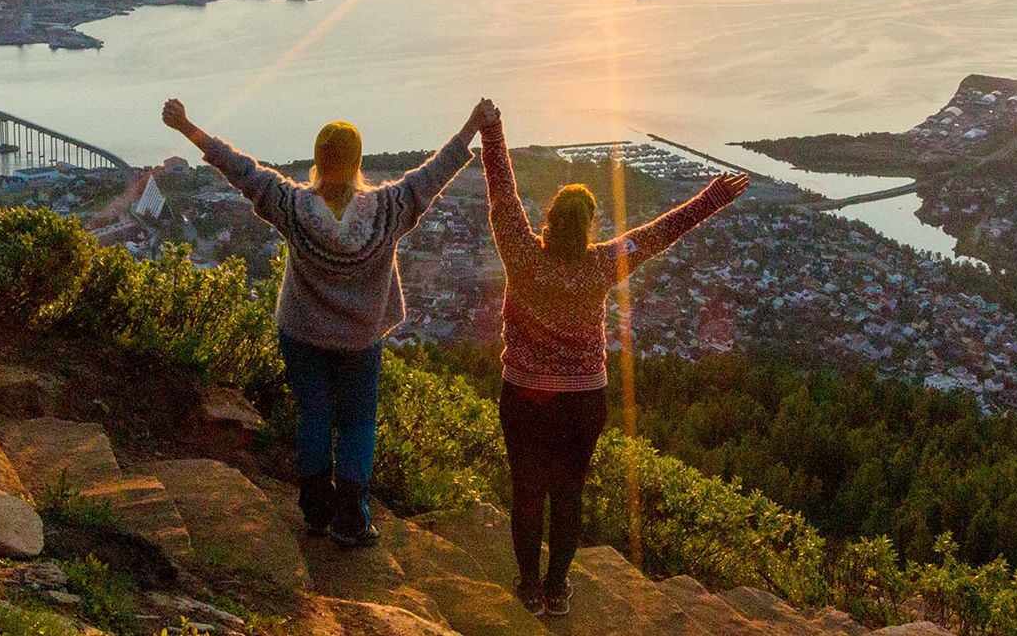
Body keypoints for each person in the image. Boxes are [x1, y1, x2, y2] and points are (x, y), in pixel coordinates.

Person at [163, 97, 493, 547]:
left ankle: (316, 509)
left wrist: (188, 127)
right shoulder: (388, 211)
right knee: (357, 424)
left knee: (314, 415)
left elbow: (241, 171)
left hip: (303, 334)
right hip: (360, 339)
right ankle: (352, 520)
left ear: (317, 161)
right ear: (358, 161)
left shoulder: (294, 208)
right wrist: (473, 124)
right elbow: (433, 174)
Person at [476, 105, 748, 616]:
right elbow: (660, 233)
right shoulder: (604, 261)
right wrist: (713, 196)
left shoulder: (520, 250)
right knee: (569, 491)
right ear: (589, 227)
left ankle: (529, 589)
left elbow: (502, 196)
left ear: (549, 221)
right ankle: (558, 590)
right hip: (583, 399)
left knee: (528, 490)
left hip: (527, 395)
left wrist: (493, 130)